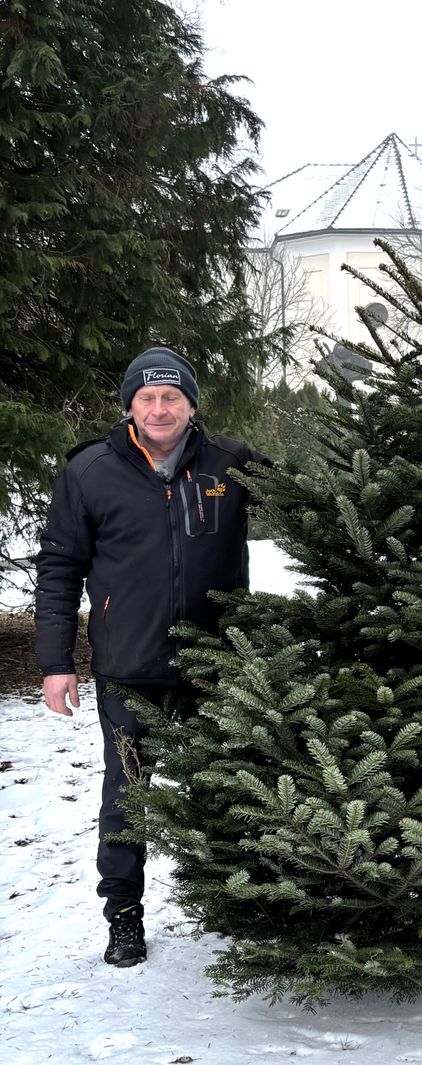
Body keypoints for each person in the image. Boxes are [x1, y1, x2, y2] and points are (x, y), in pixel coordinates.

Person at [35, 346, 267, 968]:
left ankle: (237, 906)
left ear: (192, 406)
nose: (159, 408)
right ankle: (125, 916)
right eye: (147, 397)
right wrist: (56, 661)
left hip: (217, 665)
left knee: (229, 790)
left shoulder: (231, 463)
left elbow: (313, 509)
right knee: (129, 795)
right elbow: (59, 567)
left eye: (172, 397)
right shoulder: (90, 471)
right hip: (127, 670)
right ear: (130, 406)